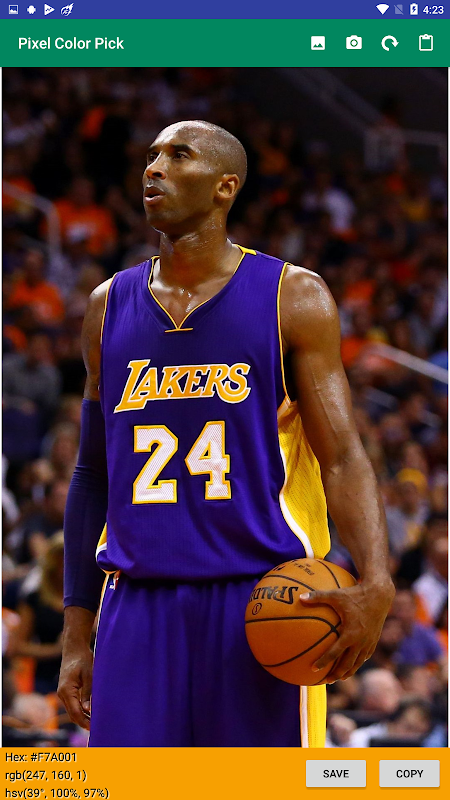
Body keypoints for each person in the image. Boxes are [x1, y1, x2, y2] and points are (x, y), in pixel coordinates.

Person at [58, 120, 394, 747]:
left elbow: (344, 457)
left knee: (255, 788)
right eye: (151, 156)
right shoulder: (107, 305)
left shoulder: (292, 296)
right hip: (137, 599)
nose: (153, 168)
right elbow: (91, 474)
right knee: (131, 791)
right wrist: (76, 632)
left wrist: (377, 579)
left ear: (224, 187)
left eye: (178, 155)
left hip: (260, 597)